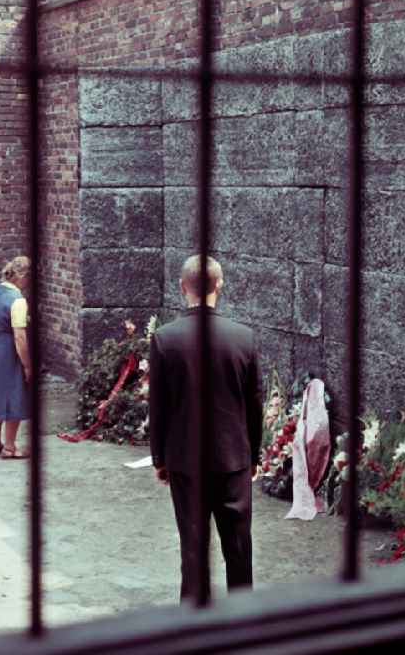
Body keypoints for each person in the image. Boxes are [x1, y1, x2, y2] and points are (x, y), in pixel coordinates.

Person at [149, 254, 263, 602]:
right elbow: (254, 405)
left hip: (185, 458)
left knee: (194, 548)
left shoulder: (165, 339)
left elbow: (159, 406)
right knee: (239, 547)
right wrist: (254, 455)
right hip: (233, 458)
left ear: (183, 287)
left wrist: (160, 458)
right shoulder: (243, 338)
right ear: (220, 286)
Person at [0, 256, 32, 459]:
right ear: (23, 277)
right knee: (14, 394)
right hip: (10, 349)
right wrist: (27, 365)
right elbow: (20, 337)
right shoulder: (18, 301)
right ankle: (10, 446)